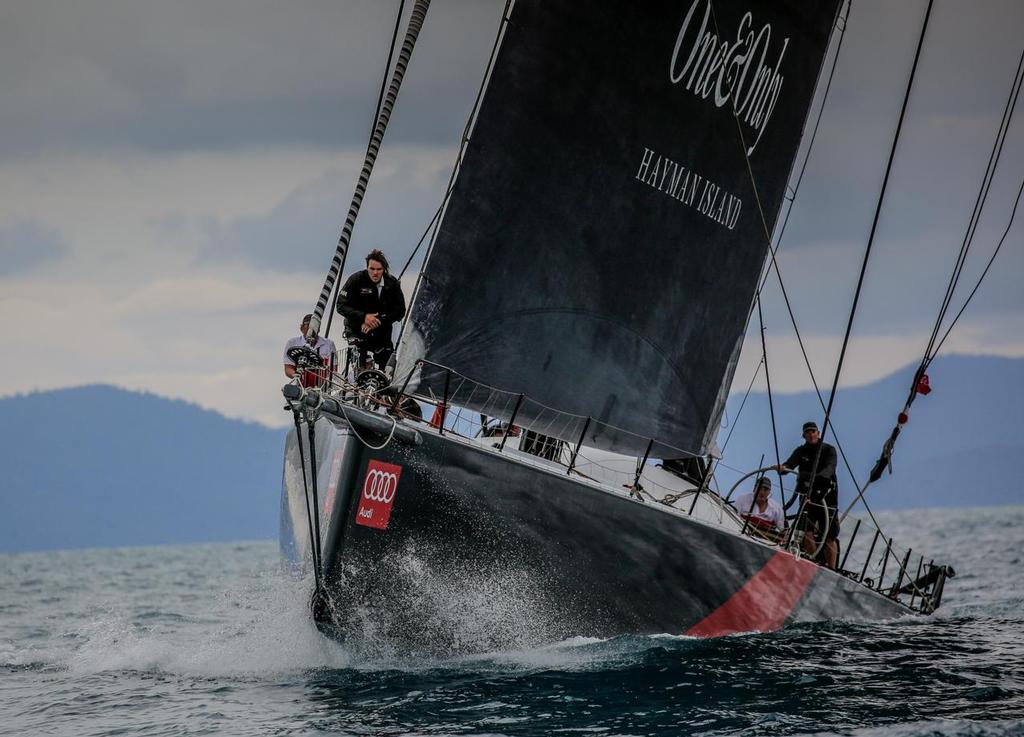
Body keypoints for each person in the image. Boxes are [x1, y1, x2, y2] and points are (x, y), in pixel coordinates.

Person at [774, 421, 840, 569]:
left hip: (826, 497)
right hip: (807, 496)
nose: (811, 434)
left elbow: (830, 468)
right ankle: (814, 563)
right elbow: (789, 465)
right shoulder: (801, 451)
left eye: (813, 431)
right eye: (808, 432)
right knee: (805, 531)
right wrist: (781, 468)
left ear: (818, 433)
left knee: (830, 536)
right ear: (804, 435)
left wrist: (813, 477)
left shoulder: (829, 450)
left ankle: (832, 569)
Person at [336, 249, 406, 371]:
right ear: (367, 267)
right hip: (357, 330)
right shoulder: (356, 280)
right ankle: (357, 384)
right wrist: (364, 317)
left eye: (378, 270)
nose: (375, 273)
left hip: (382, 332)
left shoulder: (392, 283)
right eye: (371, 269)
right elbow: (340, 305)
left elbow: (400, 311)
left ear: (384, 269)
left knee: (387, 368)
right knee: (360, 366)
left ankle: (383, 388)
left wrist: (377, 320)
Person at [283, 313, 337, 386]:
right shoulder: (292, 343)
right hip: (302, 387)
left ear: (319, 329)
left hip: (323, 388)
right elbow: (288, 368)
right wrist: (296, 376)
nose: (312, 330)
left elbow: (333, 370)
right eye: (309, 326)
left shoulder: (329, 344)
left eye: (315, 327)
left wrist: (326, 383)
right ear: (301, 328)